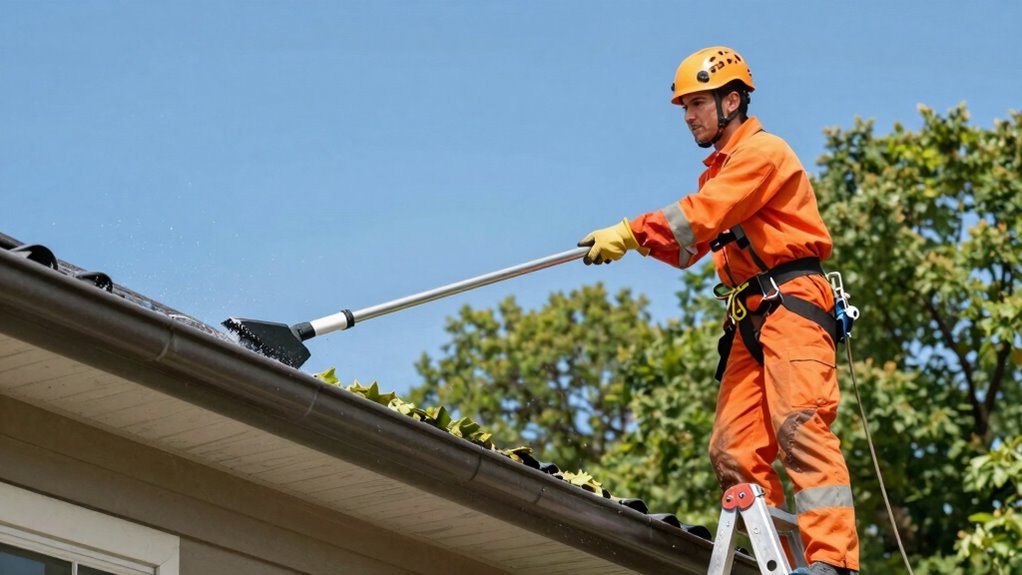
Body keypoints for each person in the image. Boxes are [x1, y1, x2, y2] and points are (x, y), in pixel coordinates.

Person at [578, 46, 860, 575]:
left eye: (697, 104)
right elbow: (690, 246)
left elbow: (699, 219)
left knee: (800, 426)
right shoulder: (720, 172)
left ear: (733, 100)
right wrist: (638, 242)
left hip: (792, 306)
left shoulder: (763, 154)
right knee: (733, 451)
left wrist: (632, 231)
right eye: (684, 106)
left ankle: (834, 563)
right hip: (748, 317)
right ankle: (778, 561)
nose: (688, 116)